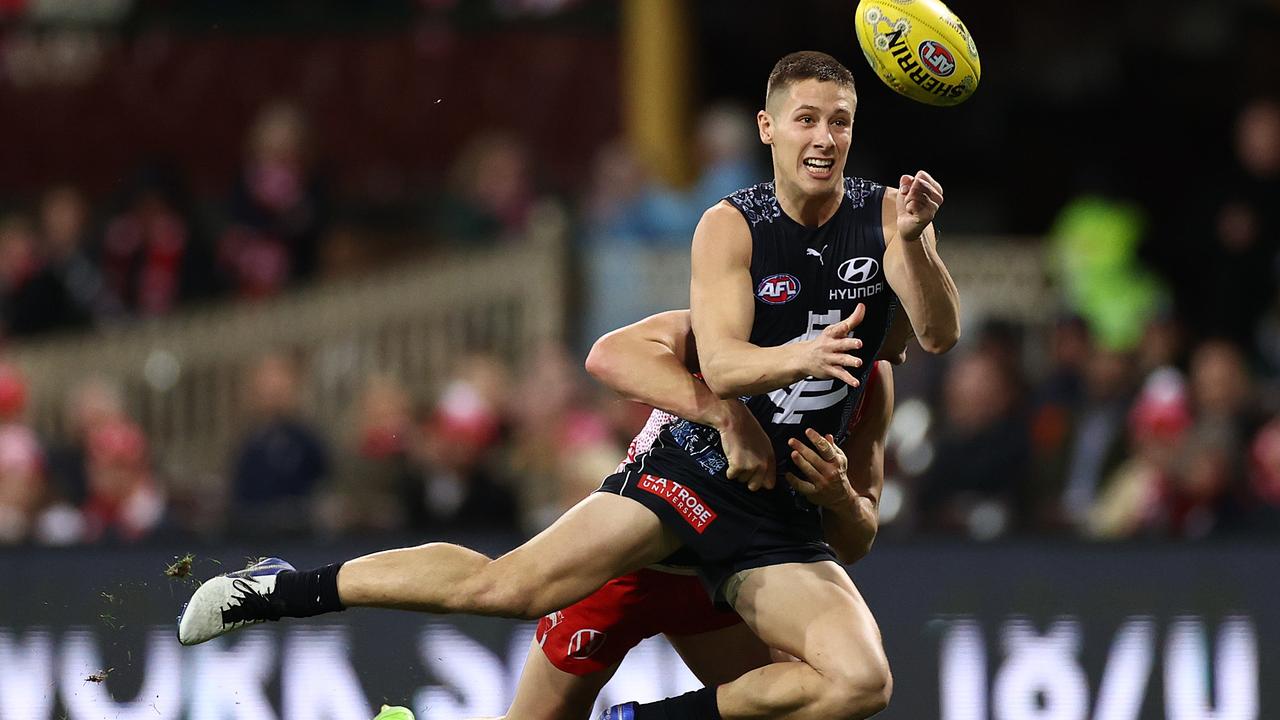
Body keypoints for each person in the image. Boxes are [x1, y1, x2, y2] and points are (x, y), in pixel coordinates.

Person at [178, 50, 958, 720]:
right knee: (510, 586)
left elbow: (922, 373)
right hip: (684, 492)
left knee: (858, 685)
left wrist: (838, 501)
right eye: (808, 119)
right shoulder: (736, 230)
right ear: (769, 128)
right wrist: (755, 397)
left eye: (841, 123)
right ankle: (283, 589)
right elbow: (693, 364)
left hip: (761, 543)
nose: (825, 138)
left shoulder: (879, 322)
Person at [505, 309, 899, 720]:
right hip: (633, 551)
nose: (924, 338)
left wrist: (842, 498)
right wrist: (726, 416)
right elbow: (608, 354)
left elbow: (856, 540)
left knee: (804, 699)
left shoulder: (874, 381)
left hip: (719, 568)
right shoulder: (751, 315)